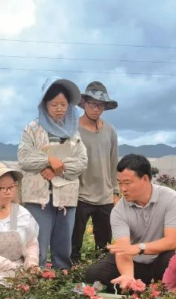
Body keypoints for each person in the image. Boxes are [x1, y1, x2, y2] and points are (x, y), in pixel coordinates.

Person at [84, 154, 176, 289]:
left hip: (161, 259)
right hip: (134, 262)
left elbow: (171, 241)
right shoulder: (119, 210)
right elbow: (123, 248)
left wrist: (138, 248)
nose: (123, 189)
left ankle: (159, 290)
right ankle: (133, 287)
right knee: (94, 274)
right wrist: (127, 275)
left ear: (145, 179)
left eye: (127, 183)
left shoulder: (171, 198)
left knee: (173, 261)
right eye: (119, 183)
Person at [18, 77, 88, 270]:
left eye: (63, 104)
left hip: (66, 196)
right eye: (54, 104)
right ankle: (35, 280)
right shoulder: (32, 128)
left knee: (63, 244)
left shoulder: (74, 131)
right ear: (44, 105)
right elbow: (24, 159)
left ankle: (61, 281)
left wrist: (57, 168)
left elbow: (81, 163)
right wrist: (49, 160)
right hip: (37, 197)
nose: (59, 108)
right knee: (37, 244)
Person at [71, 81, 120, 263]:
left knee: (104, 246)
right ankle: (71, 276)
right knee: (73, 243)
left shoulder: (110, 131)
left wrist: (115, 191)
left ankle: (100, 277)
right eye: (92, 104)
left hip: (105, 196)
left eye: (101, 105)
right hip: (79, 195)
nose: (96, 109)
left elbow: (113, 162)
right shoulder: (73, 130)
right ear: (83, 103)